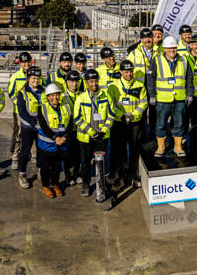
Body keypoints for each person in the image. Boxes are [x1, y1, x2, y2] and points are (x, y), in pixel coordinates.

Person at [147, 36, 194, 158]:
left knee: (179, 123)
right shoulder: (157, 61)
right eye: (169, 48)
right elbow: (150, 79)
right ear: (164, 49)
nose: (172, 50)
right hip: (162, 100)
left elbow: (189, 78)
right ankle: (161, 147)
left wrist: (189, 94)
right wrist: (152, 95)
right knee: (161, 124)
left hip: (179, 99)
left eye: (174, 48)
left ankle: (178, 147)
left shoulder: (184, 60)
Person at [75, 69, 115, 198]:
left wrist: (103, 130)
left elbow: (111, 114)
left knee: (101, 161)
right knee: (85, 161)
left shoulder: (106, 95)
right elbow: (77, 118)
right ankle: (86, 184)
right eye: (91, 81)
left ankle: (101, 184)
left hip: (102, 136)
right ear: (86, 83)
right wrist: (92, 132)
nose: (94, 84)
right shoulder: (81, 98)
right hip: (86, 137)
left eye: (96, 81)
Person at [108, 58, 147, 187]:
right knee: (118, 150)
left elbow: (143, 103)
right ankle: (117, 175)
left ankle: (133, 175)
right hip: (119, 123)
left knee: (134, 149)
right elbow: (111, 104)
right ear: (120, 72)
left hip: (134, 123)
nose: (129, 74)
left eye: (130, 71)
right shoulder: (114, 87)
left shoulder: (139, 85)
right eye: (126, 72)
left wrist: (133, 115)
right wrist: (122, 116)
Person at [36, 82, 72, 197]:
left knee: (57, 166)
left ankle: (55, 184)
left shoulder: (66, 107)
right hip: (46, 145)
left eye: (57, 95)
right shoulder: (42, 108)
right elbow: (44, 126)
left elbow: (70, 124)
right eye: (52, 95)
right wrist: (55, 137)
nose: (55, 97)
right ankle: (46, 186)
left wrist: (64, 137)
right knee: (45, 167)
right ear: (47, 97)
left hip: (60, 145)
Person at [13, 66, 43, 189]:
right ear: (28, 79)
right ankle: (22, 174)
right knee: (25, 151)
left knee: (41, 151)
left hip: (41, 127)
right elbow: (22, 112)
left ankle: (42, 171)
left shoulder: (44, 91)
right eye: (33, 78)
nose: (36, 81)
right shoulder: (22, 92)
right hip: (28, 127)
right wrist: (33, 123)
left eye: (38, 78)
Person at [6, 51, 34, 162]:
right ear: (20, 63)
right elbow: (11, 93)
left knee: (33, 131)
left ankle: (34, 154)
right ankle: (15, 155)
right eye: (24, 62)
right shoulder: (16, 77)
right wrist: (19, 105)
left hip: (33, 110)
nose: (26, 64)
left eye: (28, 62)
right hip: (19, 111)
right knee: (19, 132)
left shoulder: (35, 75)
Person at [61, 70, 83, 183]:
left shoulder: (82, 95)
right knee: (67, 154)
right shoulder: (62, 97)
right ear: (66, 82)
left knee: (78, 153)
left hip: (80, 130)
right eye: (71, 82)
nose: (74, 84)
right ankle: (68, 175)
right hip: (68, 131)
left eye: (76, 81)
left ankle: (77, 172)